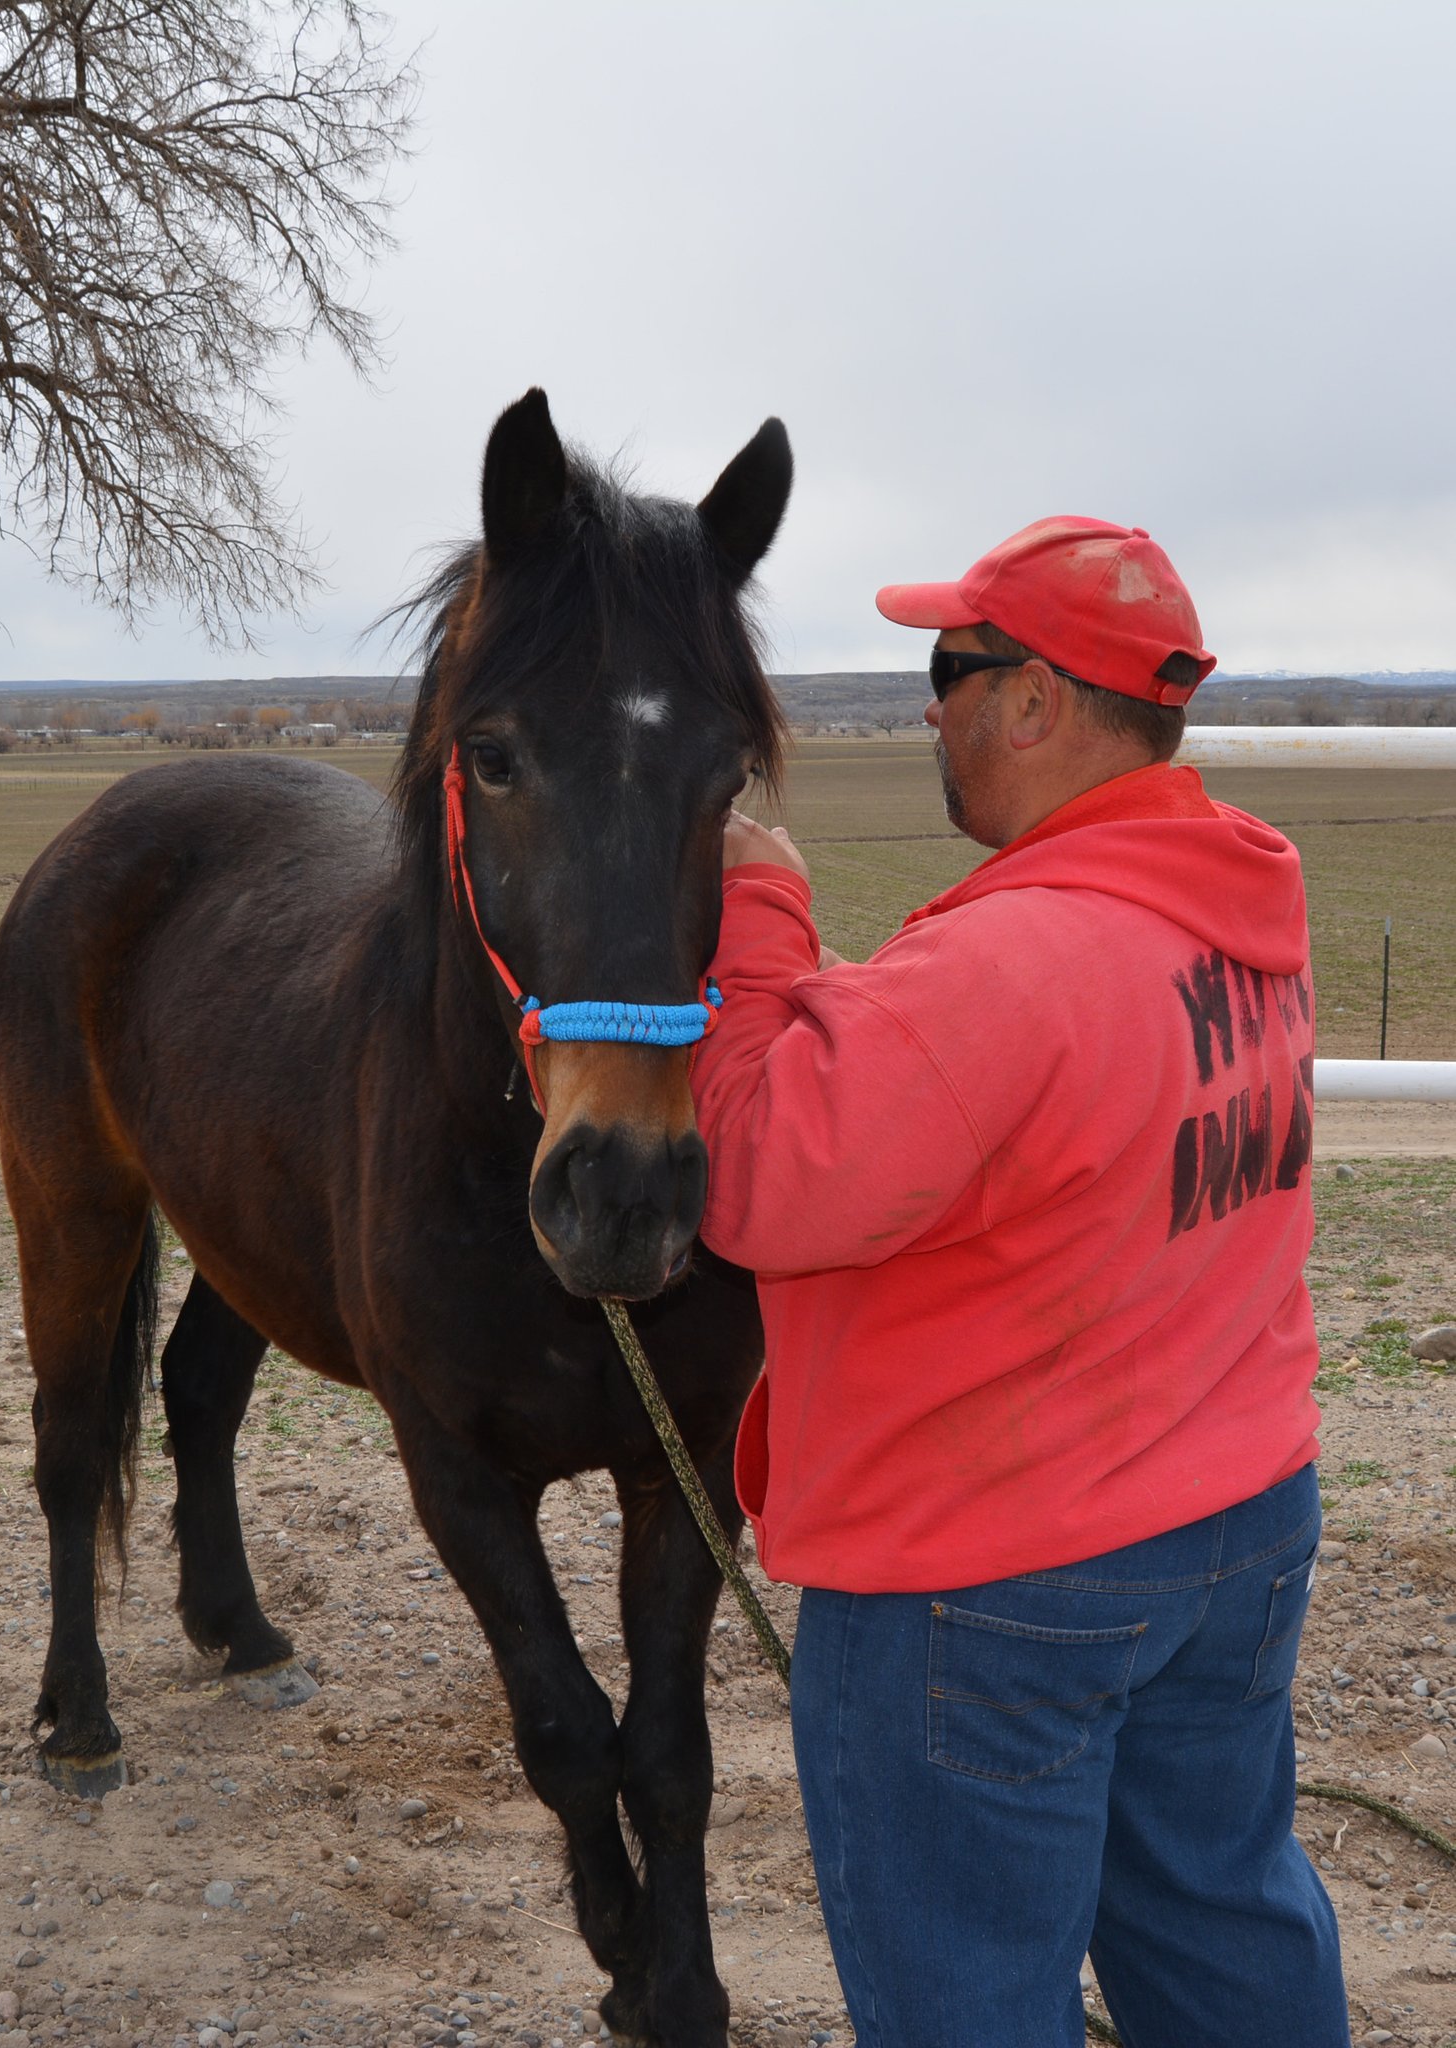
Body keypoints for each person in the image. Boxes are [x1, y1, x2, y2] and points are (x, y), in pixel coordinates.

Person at [689, 516, 1350, 2048]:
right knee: (1222, 1920)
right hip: (1235, 1521)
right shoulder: (1243, 899)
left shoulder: (1004, 966)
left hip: (987, 1580)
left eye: (951, 670)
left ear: (1039, 701)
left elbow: (752, 1180)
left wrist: (760, 911)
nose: (931, 709)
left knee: (965, 1992)